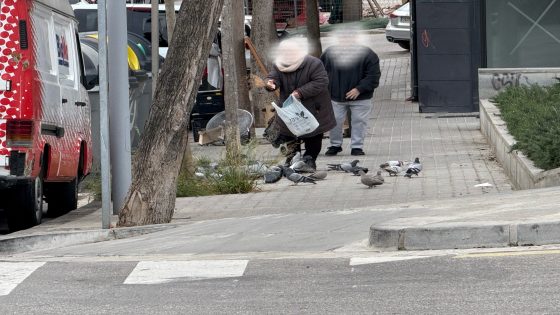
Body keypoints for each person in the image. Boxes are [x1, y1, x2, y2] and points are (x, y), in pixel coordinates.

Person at [265, 38, 335, 172]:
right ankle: (292, 159)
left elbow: (321, 81)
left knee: (312, 135)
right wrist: (271, 83)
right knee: (289, 134)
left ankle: (309, 160)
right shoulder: (278, 64)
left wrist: (300, 92)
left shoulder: (313, 63)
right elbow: (273, 77)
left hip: (314, 107)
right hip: (290, 108)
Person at [320, 34, 381, 156]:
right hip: (336, 96)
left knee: (359, 121)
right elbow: (320, 70)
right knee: (335, 120)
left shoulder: (368, 54)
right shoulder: (329, 53)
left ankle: (357, 147)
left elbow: (373, 76)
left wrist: (359, 89)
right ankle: (335, 145)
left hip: (361, 97)